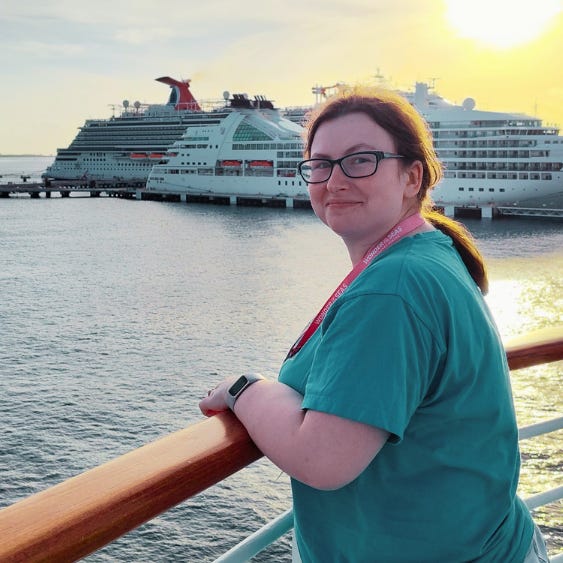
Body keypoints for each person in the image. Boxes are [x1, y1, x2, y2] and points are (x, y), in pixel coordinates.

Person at [199, 87, 549, 562]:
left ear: (412, 177)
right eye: (319, 164)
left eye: (360, 160)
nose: (335, 180)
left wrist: (245, 388)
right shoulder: (429, 253)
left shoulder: (392, 289)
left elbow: (323, 460)